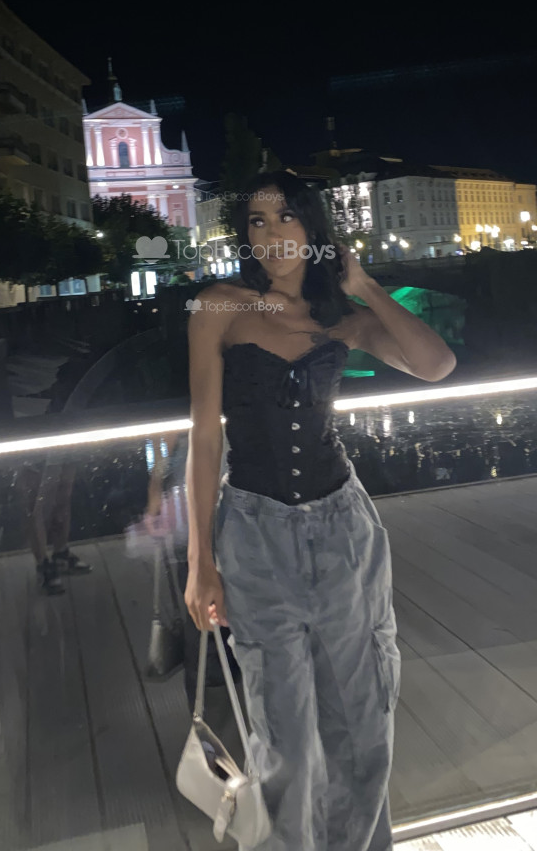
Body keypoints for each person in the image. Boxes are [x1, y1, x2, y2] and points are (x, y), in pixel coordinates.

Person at [184, 171, 456, 851]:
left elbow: (436, 364)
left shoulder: (343, 318)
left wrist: (364, 286)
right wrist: (199, 560)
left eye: (285, 218)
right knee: (284, 744)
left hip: (342, 534)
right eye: (256, 221)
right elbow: (205, 437)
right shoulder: (219, 307)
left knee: (360, 730)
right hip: (254, 535)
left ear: (313, 230)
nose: (271, 234)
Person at [15, 458, 93, 594]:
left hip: (63, 449)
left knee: (63, 494)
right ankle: (43, 565)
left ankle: (60, 553)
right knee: (35, 503)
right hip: (33, 451)